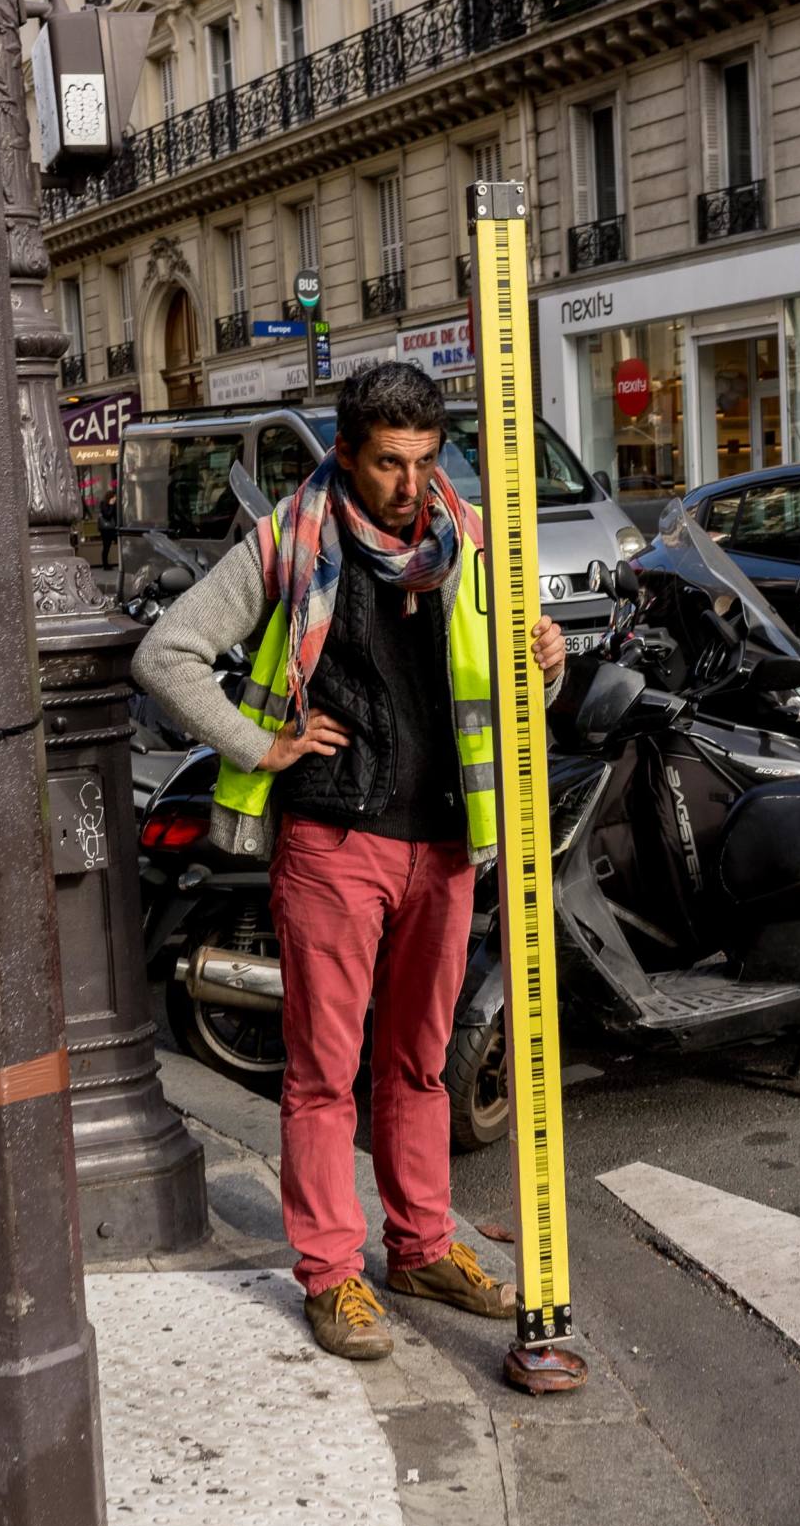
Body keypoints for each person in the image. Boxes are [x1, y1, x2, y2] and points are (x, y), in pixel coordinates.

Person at [132, 364, 566, 1362]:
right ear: (345, 451)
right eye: (387, 464)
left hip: (448, 838)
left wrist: (545, 662)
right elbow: (166, 653)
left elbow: (508, 699)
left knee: (419, 1062)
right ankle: (330, 1273)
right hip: (335, 839)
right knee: (325, 1069)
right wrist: (261, 743)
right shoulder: (293, 538)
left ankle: (419, 1247)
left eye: (423, 461)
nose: (408, 486)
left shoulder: (471, 537)